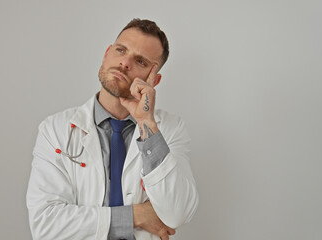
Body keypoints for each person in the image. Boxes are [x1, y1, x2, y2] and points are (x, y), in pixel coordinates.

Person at [26, 18, 199, 240]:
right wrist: (136, 215)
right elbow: (45, 225)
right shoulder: (55, 129)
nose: (125, 63)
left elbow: (176, 214)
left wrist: (146, 123)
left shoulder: (169, 129)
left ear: (154, 80)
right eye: (120, 50)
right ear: (107, 53)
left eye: (140, 61)